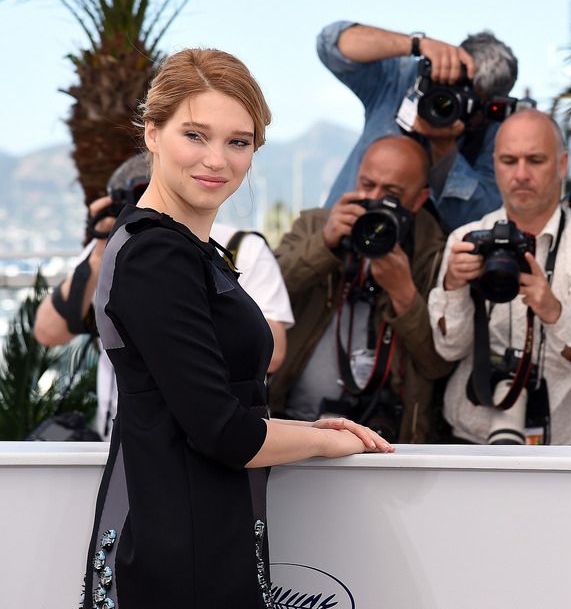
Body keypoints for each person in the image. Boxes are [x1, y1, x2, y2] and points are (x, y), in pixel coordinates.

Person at [81, 48, 392, 609]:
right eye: (195, 135)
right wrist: (326, 442)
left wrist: (302, 429)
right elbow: (223, 433)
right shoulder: (158, 257)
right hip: (182, 554)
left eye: (238, 141)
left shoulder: (182, 249)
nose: (216, 160)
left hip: (199, 532)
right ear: (152, 132)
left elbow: (212, 403)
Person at [33, 155, 294, 439]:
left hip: (224, 432)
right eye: (138, 194)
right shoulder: (112, 252)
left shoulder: (241, 248)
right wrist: (99, 252)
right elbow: (48, 332)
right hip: (128, 440)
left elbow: (274, 352)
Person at [429, 109, 571, 445]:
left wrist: (554, 313)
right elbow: (449, 349)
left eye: (535, 160)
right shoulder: (466, 239)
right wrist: (454, 286)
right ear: (494, 164)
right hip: (471, 439)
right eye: (509, 161)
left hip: (564, 448)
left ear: (562, 165)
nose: (521, 174)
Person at [270, 135, 452, 443]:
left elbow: (438, 364)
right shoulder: (316, 225)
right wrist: (323, 246)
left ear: (419, 200)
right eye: (367, 185)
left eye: (392, 193)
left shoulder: (434, 255)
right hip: (297, 426)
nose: (374, 198)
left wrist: (404, 294)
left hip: (389, 440)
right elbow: (265, 297)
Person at [318, 20, 518, 232]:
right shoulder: (403, 79)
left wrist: (445, 151)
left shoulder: (498, 131)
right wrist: (416, 44)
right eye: (453, 88)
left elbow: (479, 218)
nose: (449, 104)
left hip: (420, 257)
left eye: (473, 104)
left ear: (493, 105)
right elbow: (330, 44)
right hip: (343, 233)